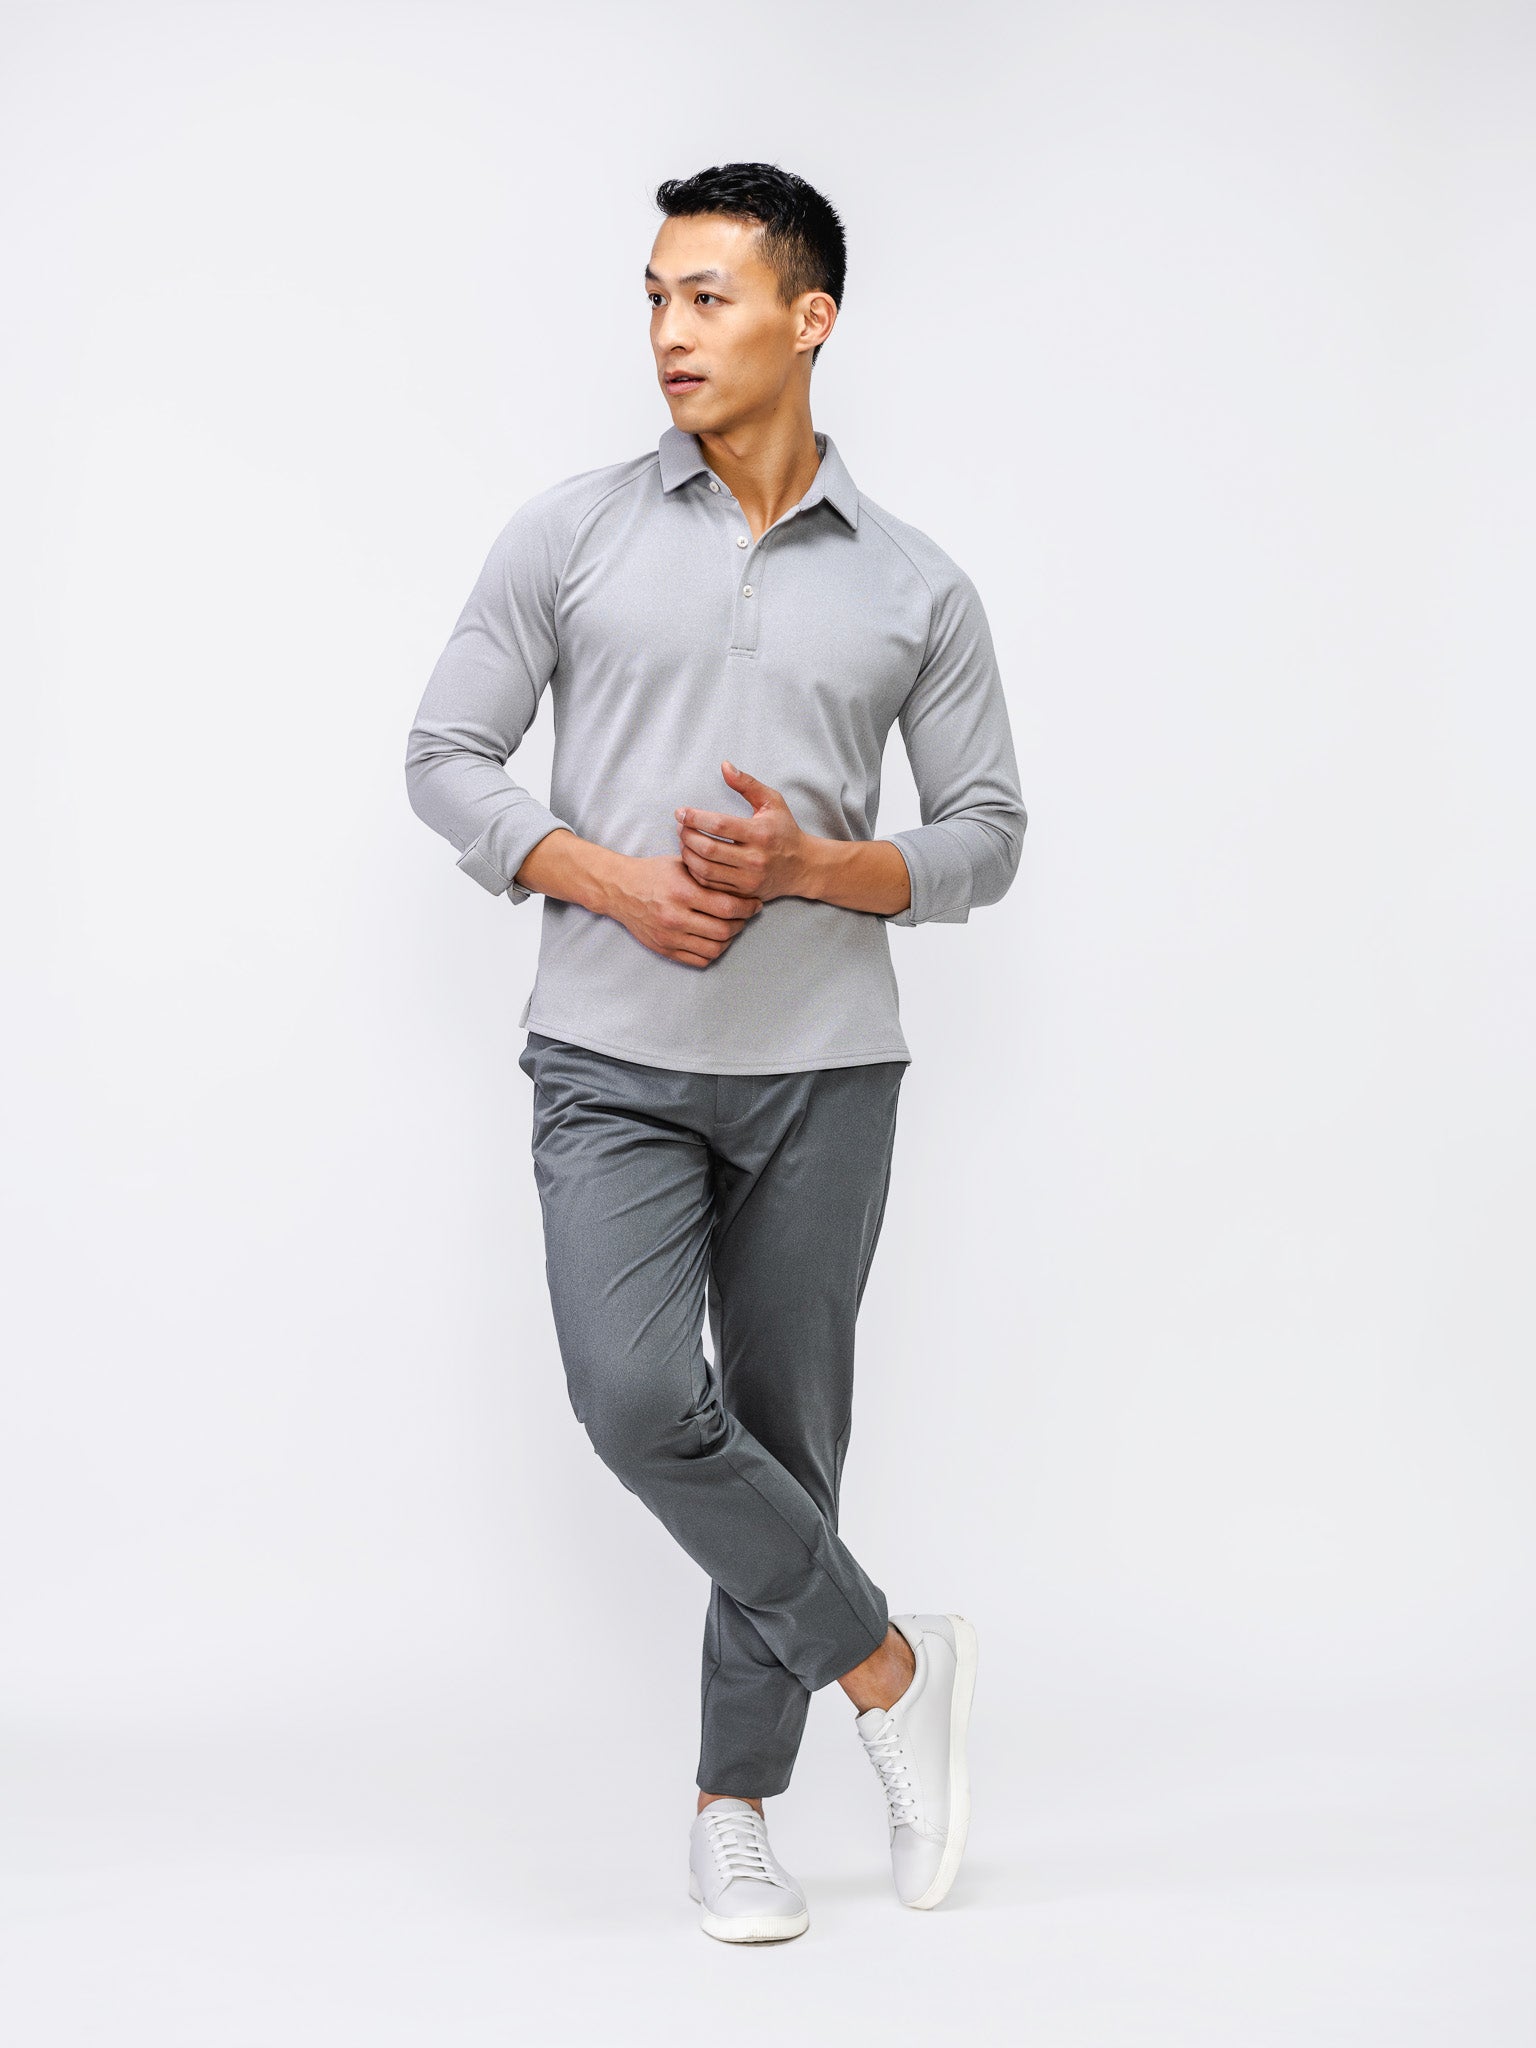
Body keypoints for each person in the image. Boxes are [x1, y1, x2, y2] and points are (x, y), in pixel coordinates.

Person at [404, 160, 1026, 1943]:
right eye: (657, 298)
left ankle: (735, 1807)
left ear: (809, 319)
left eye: (710, 297)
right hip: (606, 1061)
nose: (671, 332)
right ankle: (890, 1664)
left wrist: (823, 869)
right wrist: (608, 878)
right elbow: (446, 756)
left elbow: (987, 833)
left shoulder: (917, 585)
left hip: (826, 1071)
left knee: (784, 1437)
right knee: (633, 1400)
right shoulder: (569, 536)